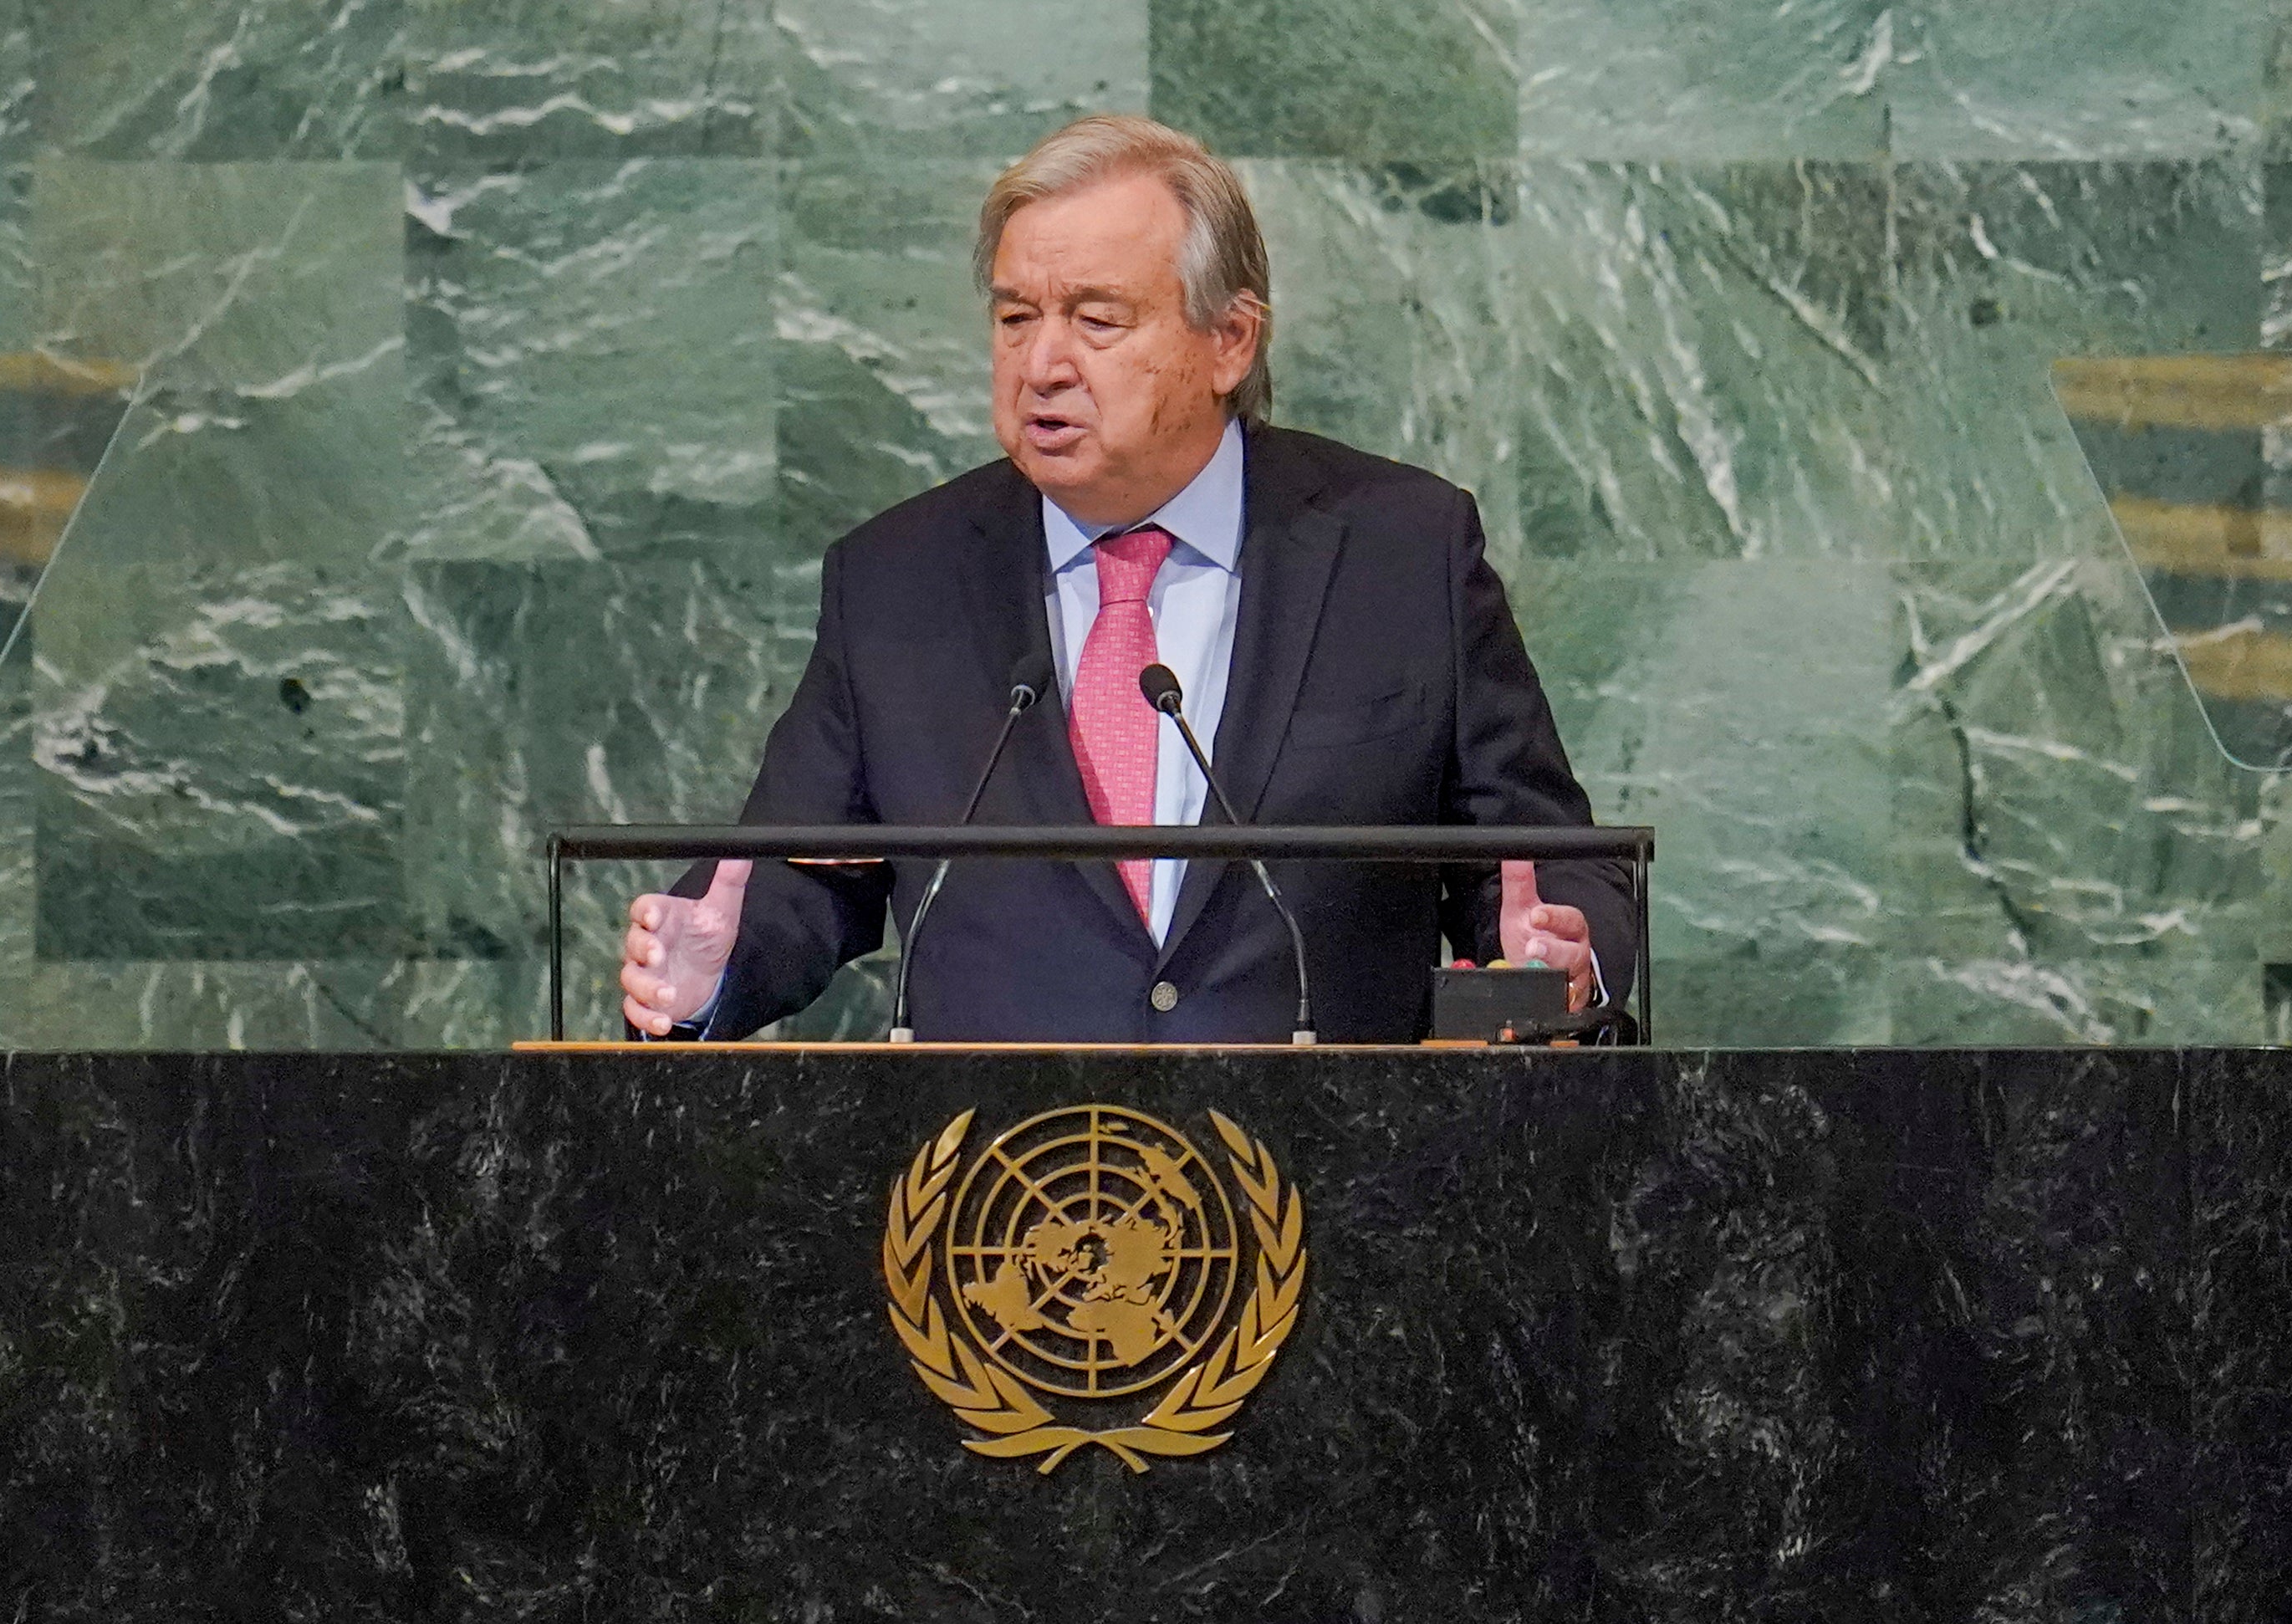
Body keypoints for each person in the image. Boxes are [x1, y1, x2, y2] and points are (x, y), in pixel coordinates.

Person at [618, 115, 1632, 1044]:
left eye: (1096, 321)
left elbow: (1543, 862)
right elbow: (801, 874)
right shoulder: (897, 578)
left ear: (1228, 340)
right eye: (1017, 319)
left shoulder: (1401, 552)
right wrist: (715, 969)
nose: (1043, 364)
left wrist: (1564, 956)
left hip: (1335, 1189)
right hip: (1002, 1203)